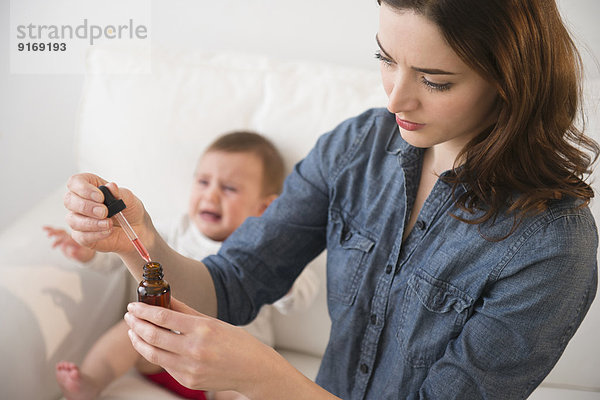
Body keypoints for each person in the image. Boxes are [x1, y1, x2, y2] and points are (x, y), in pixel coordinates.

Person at [62, 0, 600, 398]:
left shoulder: (553, 246)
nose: (395, 98)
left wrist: (262, 375)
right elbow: (232, 284)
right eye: (386, 59)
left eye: (434, 80)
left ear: (511, 79)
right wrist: (139, 243)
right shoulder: (358, 147)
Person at [48, 131, 320, 400]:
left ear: (265, 208)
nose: (211, 196)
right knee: (129, 331)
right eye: (203, 182)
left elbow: (303, 293)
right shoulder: (175, 230)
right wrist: (89, 253)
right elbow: (125, 251)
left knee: (241, 389)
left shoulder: (266, 248)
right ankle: (92, 380)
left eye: (229, 188)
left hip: (223, 370)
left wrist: (278, 277)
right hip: (159, 354)